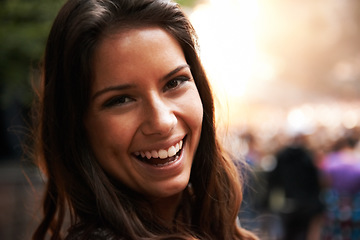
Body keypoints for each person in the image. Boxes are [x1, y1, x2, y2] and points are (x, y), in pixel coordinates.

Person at [31, 0, 259, 239]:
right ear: (76, 126)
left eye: (174, 82)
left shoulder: (209, 220)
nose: (162, 122)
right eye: (121, 100)